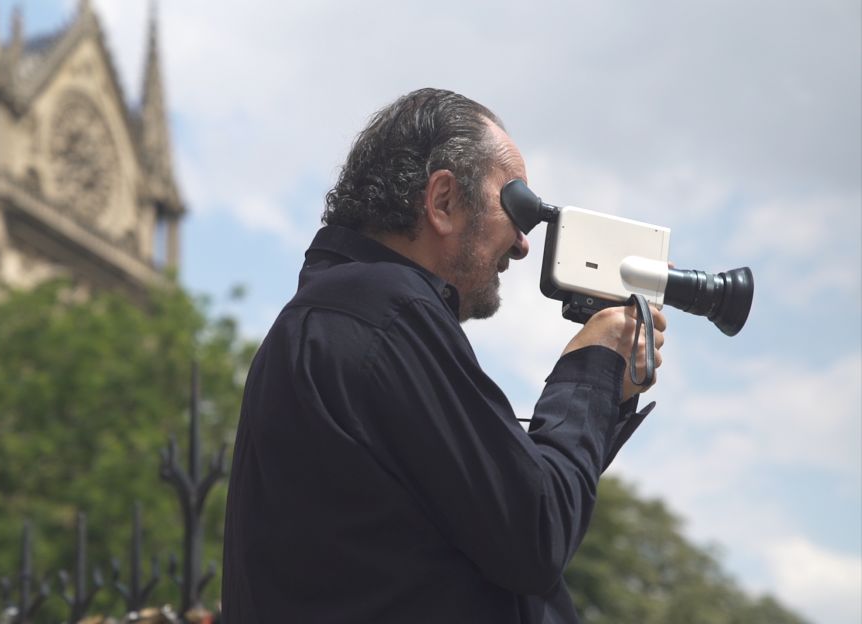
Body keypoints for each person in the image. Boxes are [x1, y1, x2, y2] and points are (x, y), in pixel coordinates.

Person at [221, 88, 666, 623]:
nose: (524, 243)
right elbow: (535, 531)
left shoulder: (333, 318)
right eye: (517, 204)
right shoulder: (386, 311)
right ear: (443, 201)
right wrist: (591, 373)